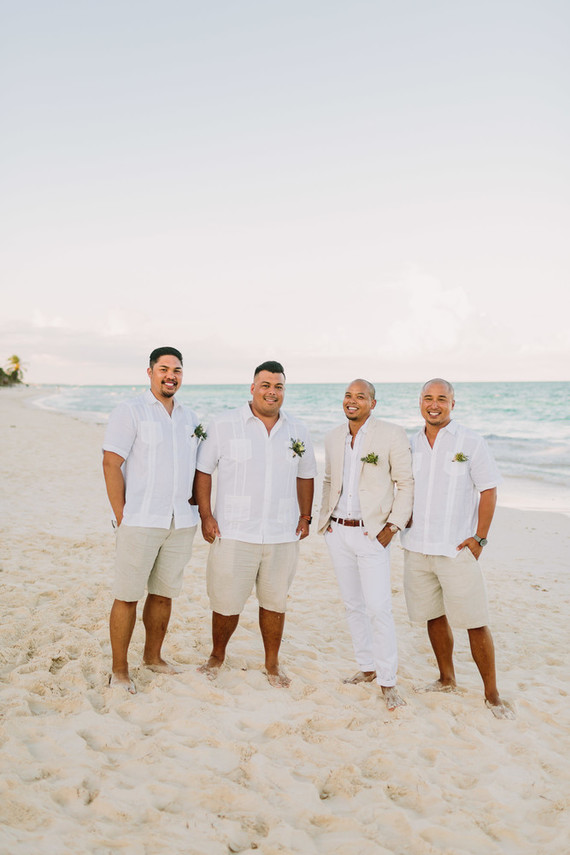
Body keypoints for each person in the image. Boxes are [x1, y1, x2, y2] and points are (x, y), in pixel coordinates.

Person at [193, 360, 317, 687]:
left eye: (278, 387)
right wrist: (206, 515)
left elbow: (306, 475)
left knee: (275, 602)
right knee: (226, 600)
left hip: (282, 532)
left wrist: (305, 516)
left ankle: (272, 664)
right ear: (252, 388)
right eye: (265, 385)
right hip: (234, 530)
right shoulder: (224, 424)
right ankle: (217, 656)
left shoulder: (298, 429)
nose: (272, 392)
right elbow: (203, 471)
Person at [400, 378, 515, 719]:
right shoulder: (410, 444)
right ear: (420, 402)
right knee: (433, 616)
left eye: (441, 398)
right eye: (428, 398)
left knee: (475, 621)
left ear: (453, 403)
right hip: (417, 547)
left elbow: (489, 489)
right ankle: (446, 678)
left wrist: (480, 538)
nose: (434, 404)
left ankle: (492, 693)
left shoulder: (470, 441)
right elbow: (403, 487)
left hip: (455, 548)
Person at [102, 347, 201, 694]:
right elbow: (111, 462)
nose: (171, 375)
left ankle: (153, 657)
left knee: (163, 594)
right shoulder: (130, 411)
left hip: (180, 520)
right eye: (164, 369)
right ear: (150, 372)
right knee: (127, 595)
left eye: (177, 370)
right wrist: (122, 515)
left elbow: (196, 468)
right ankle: (119, 670)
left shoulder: (190, 417)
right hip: (141, 518)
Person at [318, 379, 414, 711]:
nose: (352, 400)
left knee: (378, 608)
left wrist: (393, 526)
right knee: (352, 604)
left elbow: (405, 483)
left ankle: (388, 681)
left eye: (361, 396)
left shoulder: (391, 434)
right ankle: (367, 667)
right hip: (338, 532)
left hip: (372, 534)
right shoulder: (333, 436)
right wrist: (327, 522)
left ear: (373, 403)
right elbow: (329, 480)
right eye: (348, 395)